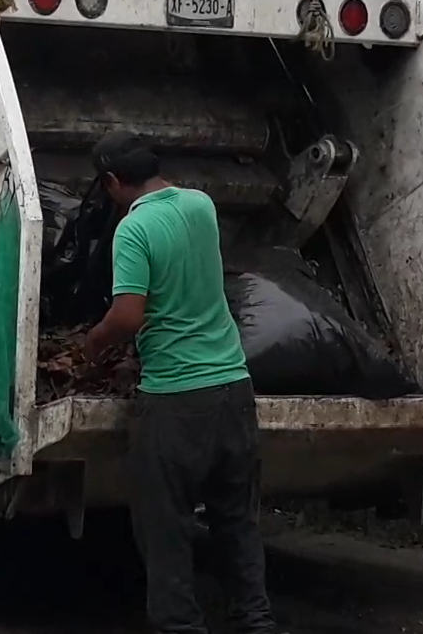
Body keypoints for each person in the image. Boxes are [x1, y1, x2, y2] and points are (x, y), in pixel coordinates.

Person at [83, 130, 276, 634]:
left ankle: (180, 627)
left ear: (111, 181)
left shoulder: (134, 228)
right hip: (234, 388)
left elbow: (128, 316)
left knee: (164, 527)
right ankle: (255, 621)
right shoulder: (201, 205)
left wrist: (93, 343)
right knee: (236, 521)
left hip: (175, 398)